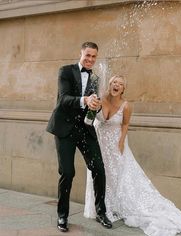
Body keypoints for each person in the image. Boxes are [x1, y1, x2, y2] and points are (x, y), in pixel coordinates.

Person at [84, 75, 181, 236]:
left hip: (116, 145)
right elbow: (91, 120)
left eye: (121, 84)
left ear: (123, 89)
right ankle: (102, 207)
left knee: (120, 176)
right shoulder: (99, 99)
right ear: (109, 84)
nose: (117, 85)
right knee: (101, 175)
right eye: (115, 82)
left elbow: (125, 123)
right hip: (100, 145)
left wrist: (121, 141)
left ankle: (120, 206)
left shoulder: (126, 105)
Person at [46, 42, 112, 232]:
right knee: (67, 172)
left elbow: (93, 104)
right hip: (64, 129)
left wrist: (95, 105)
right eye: (88, 55)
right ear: (81, 54)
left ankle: (101, 212)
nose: (90, 59)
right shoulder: (65, 71)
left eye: (94, 57)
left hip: (85, 129)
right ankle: (62, 215)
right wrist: (84, 100)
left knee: (98, 167)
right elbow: (64, 98)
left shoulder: (95, 79)